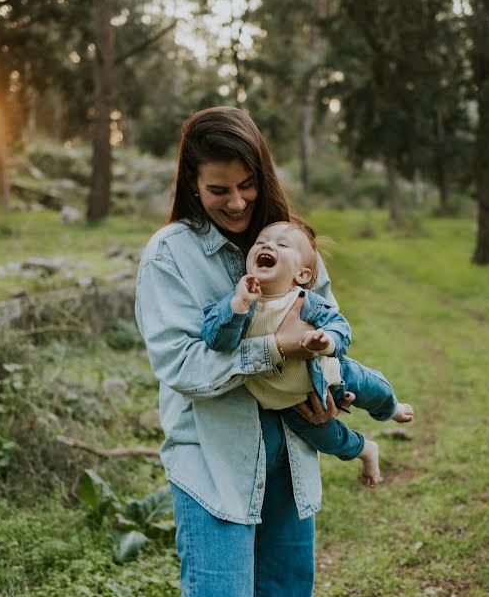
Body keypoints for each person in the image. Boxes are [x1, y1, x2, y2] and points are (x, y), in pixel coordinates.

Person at [135, 106, 347, 596]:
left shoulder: (291, 241)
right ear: (192, 184)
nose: (236, 202)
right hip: (214, 464)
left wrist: (334, 389)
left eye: (247, 184)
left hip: (291, 456)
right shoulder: (169, 255)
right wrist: (271, 348)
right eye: (218, 189)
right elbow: (180, 364)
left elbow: (330, 322)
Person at [199, 219, 414, 487]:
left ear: (301, 275)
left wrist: (326, 342)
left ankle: (391, 407)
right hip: (290, 402)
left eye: (282, 244)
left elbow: (339, 326)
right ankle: (365, 450)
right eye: (261, 242)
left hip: (331, 375)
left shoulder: (304, 301)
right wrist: (238, 306)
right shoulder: (238, 300)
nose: (267, 245)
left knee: (371, 387)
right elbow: (216, 340)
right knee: (328, 439)